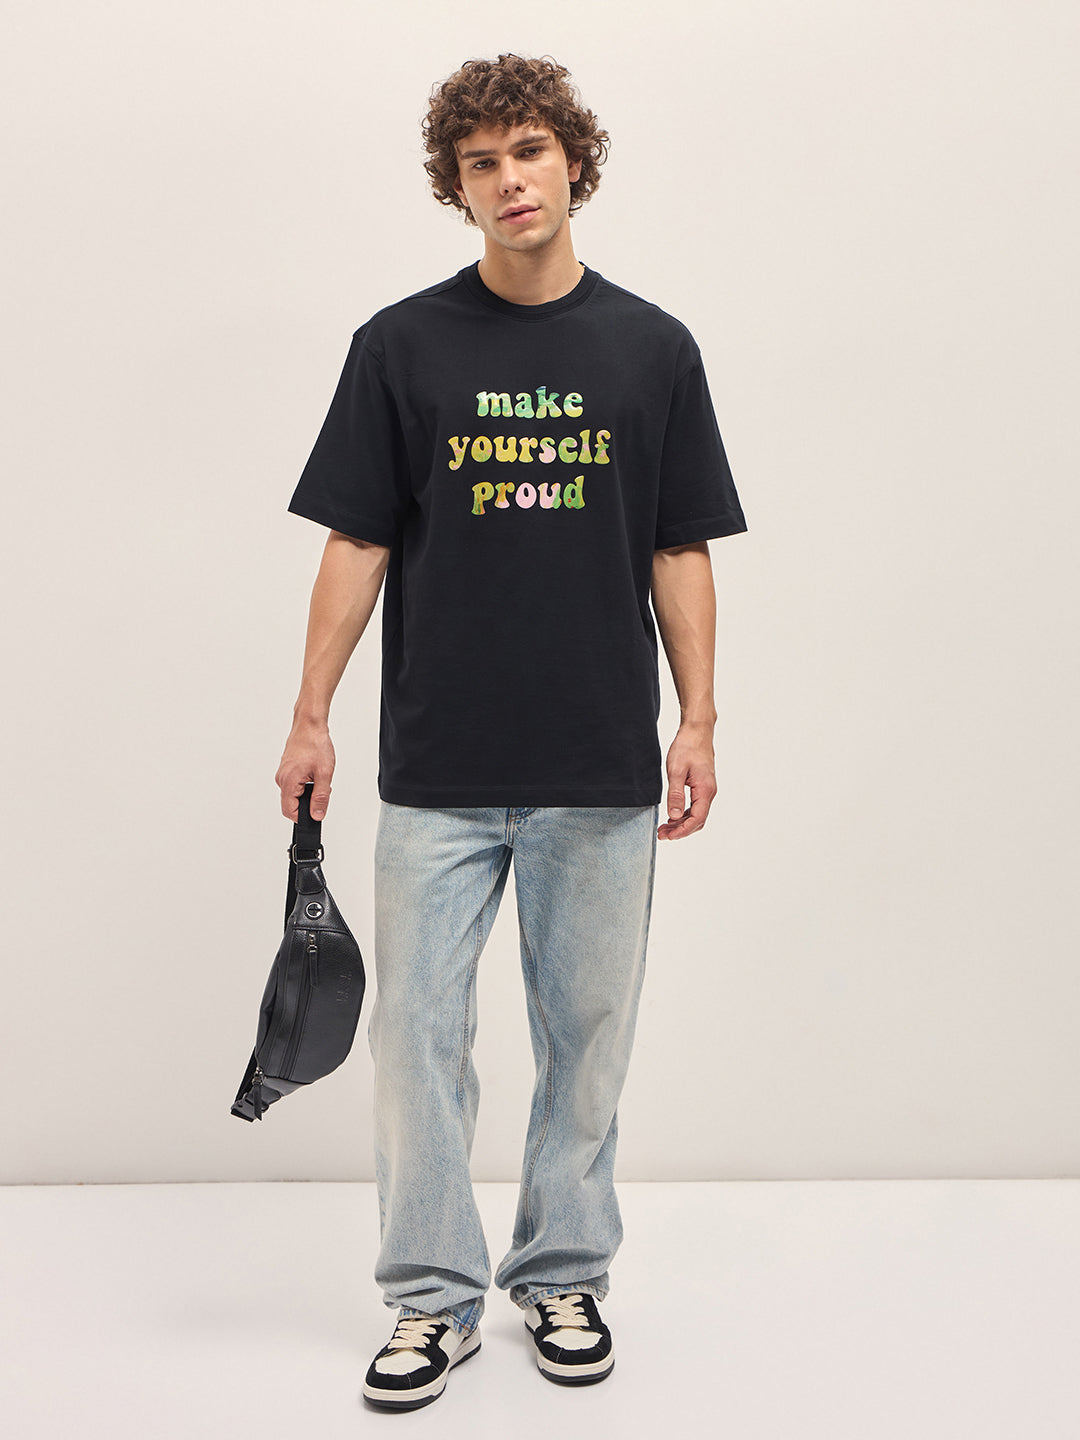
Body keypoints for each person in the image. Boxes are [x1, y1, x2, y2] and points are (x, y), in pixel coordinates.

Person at [275, 52, 747, 1410]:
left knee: (587, 1039)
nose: (509, 180)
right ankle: (432, 1298)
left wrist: (698, 719)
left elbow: (679, 547)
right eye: (480, 162)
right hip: (439, 767)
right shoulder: (400, 346)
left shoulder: (653, 349)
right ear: (457, 188)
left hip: (599, 761)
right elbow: (358, 541)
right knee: (416, 1040)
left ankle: (562, 1272)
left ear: (573, 164)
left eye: (529, 150)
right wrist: (309, 716)